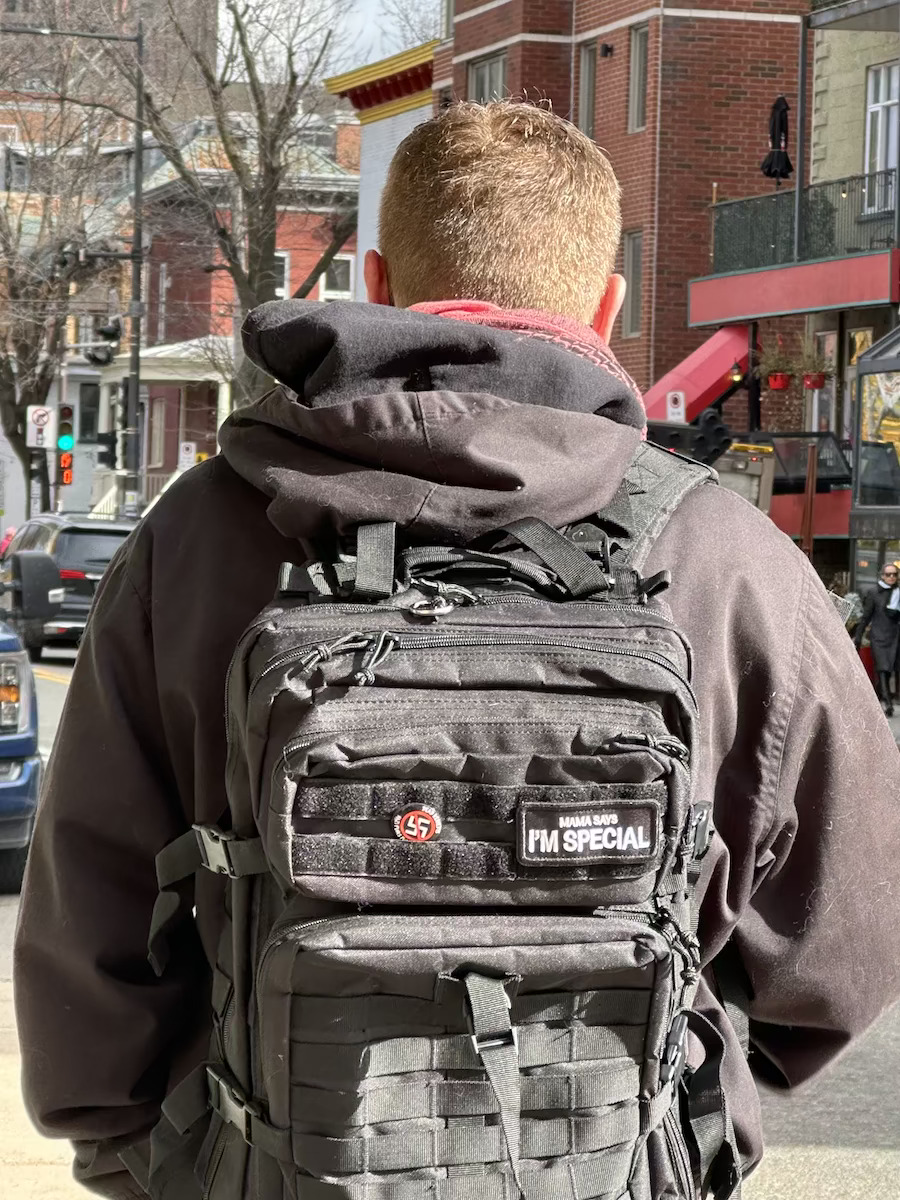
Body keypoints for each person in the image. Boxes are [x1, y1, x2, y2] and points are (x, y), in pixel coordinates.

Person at [13, 101, 900, 1200]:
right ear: (607, 301)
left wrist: (156, 1154)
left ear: (376, 280)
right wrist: (664, 1097)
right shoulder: (728, 560)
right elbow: (840, 958)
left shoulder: (199, 535)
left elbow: (85, 915)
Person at [854, 561, 900, 715]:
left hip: (894, 637)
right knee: (882, 668)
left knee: (888, 671)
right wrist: (858, 637)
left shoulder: (898, 592)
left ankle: (880, 696)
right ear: (882, 575)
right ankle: (888, 703)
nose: (892, 577)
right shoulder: (874, 592)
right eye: (888, 574)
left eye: (894, 574)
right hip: (879, 636)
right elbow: (866, 617)